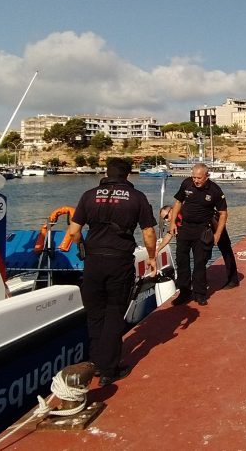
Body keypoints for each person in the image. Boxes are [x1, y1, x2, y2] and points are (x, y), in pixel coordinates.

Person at [64, 157, 158, 386]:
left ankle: (96, 363)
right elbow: (148, 233)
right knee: (114, 313)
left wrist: (82, 248)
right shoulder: (136, 197)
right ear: (127, 175)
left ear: (107, 173)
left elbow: (74, 231)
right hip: (119, 261)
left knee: (95, 314)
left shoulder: (89, 196)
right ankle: (109, 369)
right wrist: (152, 257)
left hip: (93, 262)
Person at [166, 163, 228, 306]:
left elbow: (223, 213)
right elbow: (178, 202)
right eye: (194, 177)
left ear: (207, 176)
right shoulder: (187, 183)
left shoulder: (215, 190)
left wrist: (218, 234)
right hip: (185, 228)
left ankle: (200, 293)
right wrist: (173, 223)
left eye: (199, 178)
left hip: (202, 230)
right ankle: (184, 291)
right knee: (182, 260)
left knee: (200, 262)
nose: (196, 180)